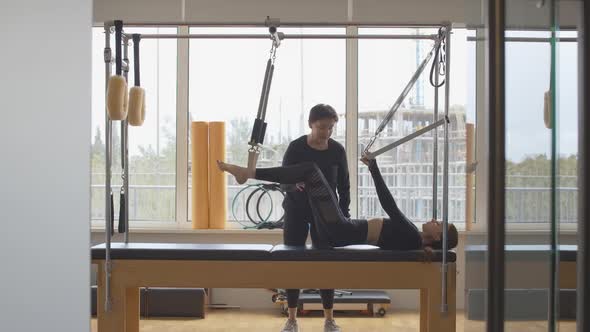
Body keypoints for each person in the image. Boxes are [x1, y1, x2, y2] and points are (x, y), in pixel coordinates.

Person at [217, 156, 458, 253]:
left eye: (440, 224)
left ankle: (247, 173)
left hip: (341, 229)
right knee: (310, 179)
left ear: (438, 238)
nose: (435, 220)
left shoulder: (412, 235)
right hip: (340, 230)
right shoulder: (413, 239)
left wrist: (373, 168)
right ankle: (253, 175)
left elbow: (389, 203)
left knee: (311, 170)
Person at [279, 104, 350, 332]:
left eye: (330, 128)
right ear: (311, 124)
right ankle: (291, 319)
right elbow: (283, 181)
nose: (326, 133)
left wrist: (343, 216)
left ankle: (329, 320)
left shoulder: (337, 151)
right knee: (292, 263)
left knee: (326, 264)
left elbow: (344, 187)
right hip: (297, 210)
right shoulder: (296, 148)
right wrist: (294, 184)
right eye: (322, 127)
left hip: (326, 213)